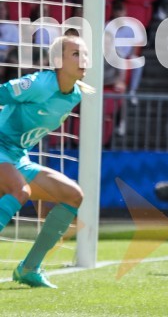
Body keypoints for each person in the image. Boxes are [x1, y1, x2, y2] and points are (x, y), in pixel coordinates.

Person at [0, 35, 92, 288]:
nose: (83, 59)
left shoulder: (75, 95)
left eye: (85, 54)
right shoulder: (39, 83)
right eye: (75, 54)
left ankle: (29, 268)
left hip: (16, 157)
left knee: (73, 195)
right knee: (20, 191)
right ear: (57, 60)